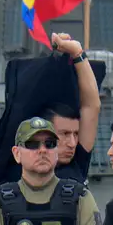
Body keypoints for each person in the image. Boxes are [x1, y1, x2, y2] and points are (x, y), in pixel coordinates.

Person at [43, 33, 102, 184]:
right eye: (64, 134)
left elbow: (92, 106)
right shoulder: (21, 171)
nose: (72, 143)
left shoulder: (76, 165)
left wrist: (77, 54)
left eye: (75, 134)